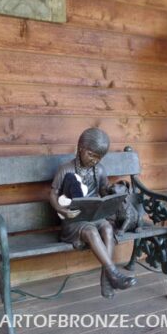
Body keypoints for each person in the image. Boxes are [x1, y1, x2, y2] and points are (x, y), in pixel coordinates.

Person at [50, 128, 137, 299]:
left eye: (99, 158)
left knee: (107, 229)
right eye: (92, 155)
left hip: (94, 216)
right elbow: (52, 194)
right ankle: (113, 274)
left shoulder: (100, 170)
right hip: (73, 220)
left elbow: (104, 191)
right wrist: (61, 210)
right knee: (90, 231)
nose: (95, 161)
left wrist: (111, 196)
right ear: (80, 148)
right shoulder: (66, 170)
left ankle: (106, 279)